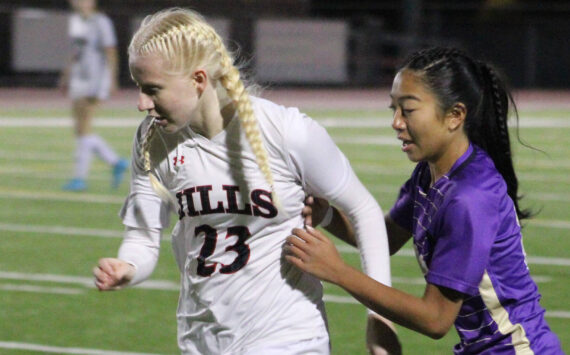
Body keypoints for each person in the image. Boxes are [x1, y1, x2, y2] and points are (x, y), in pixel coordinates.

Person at [92, 7, 399, 354]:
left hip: (288, 336)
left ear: (198, 80)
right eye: (138, 87)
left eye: (153, 89)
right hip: (201, 338)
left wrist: (379, 319)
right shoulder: (153, 139)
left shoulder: (286, 131)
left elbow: (363, 210)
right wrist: (127, 267)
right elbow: (143, 238)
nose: (141, 103)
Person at [286, 47, 563, 354]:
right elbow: (386, 236)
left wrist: (339, 272)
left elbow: (435, 319)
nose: (396, 122)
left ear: (455, 116)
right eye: (393, 108)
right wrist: (327, 216)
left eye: (408, 110)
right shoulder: (429, 175)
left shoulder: (470, 197)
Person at [59, 0, 128, 191]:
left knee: (85, 127)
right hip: (79, 79)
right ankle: (116, 162)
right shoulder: (77, 21)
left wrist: (113, 79)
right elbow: (75, 52)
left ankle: (79, 178)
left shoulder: (101, 22)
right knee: (80, 130)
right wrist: (66, 76)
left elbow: (111, 51)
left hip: (95, 80)